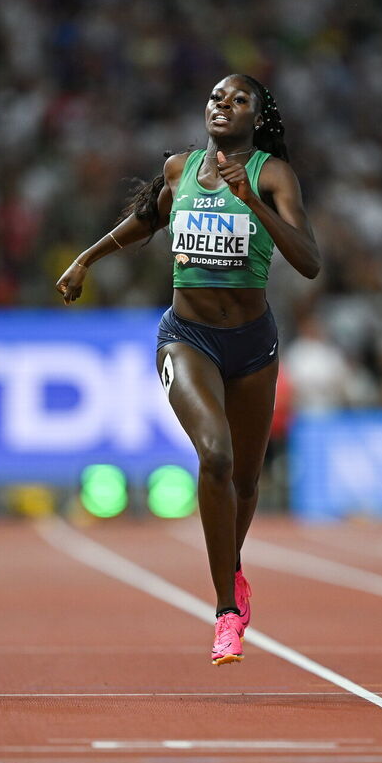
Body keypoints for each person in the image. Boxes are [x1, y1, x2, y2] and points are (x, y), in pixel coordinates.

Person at [57, 74, 321, 665]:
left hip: (253, 346)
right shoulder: (180, 170)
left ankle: (232, 572)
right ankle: (227, 610)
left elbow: (308, 261)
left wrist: (252, 202)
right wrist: (84, 260)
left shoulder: (272, 176)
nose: (222, 106)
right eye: (215, 99)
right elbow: (146, 221)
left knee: (248, 481)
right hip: (187, 338)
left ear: (258, 117)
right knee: (217, 457)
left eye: (238, 100)